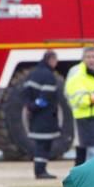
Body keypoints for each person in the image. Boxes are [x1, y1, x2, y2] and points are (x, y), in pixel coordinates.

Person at [23, 51, 60, 179]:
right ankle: (41, 171)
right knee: (44, 145)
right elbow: (46, 98)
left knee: (40, 144)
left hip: (35, 117)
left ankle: (40, 170)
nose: (56, 63)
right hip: (45, 117)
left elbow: (26, 93)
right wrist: (36, 106)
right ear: (50, 60)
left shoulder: (32, 74)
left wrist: (30, 107)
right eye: (55, 60)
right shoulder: (48, 76)